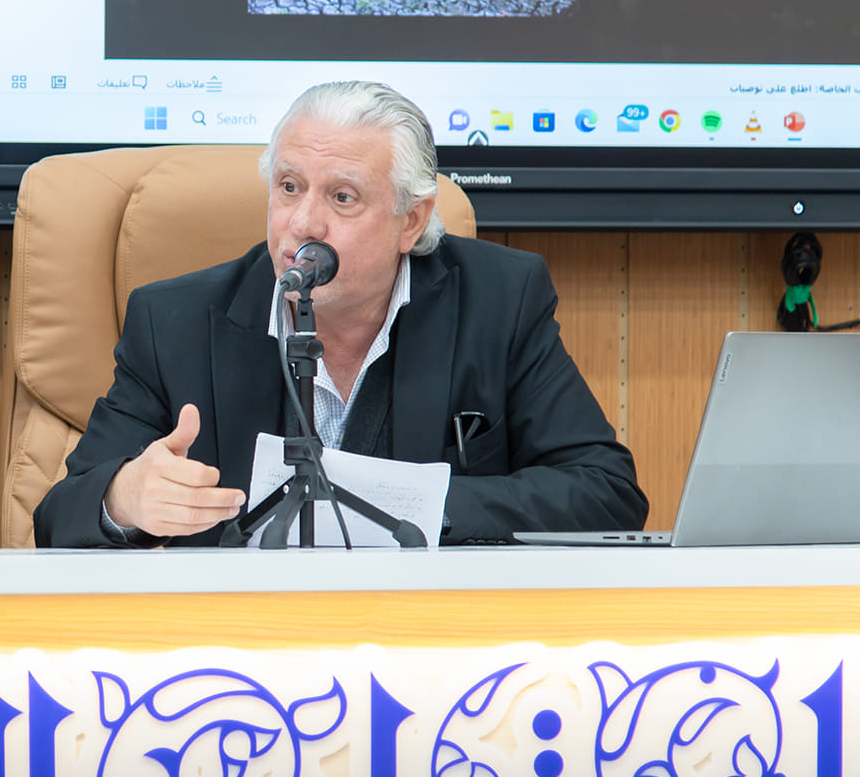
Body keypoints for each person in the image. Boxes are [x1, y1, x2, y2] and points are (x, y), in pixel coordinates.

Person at [34, 80, 646, 548]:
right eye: (289, 187)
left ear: (410, 220)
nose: (303, 223)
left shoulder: (499, 299)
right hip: (237, 636)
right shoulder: (175, 321)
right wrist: (122, 500)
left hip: (427, 632)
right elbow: (58, 519)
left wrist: (412, 507)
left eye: (343, 197)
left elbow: (606, 492)